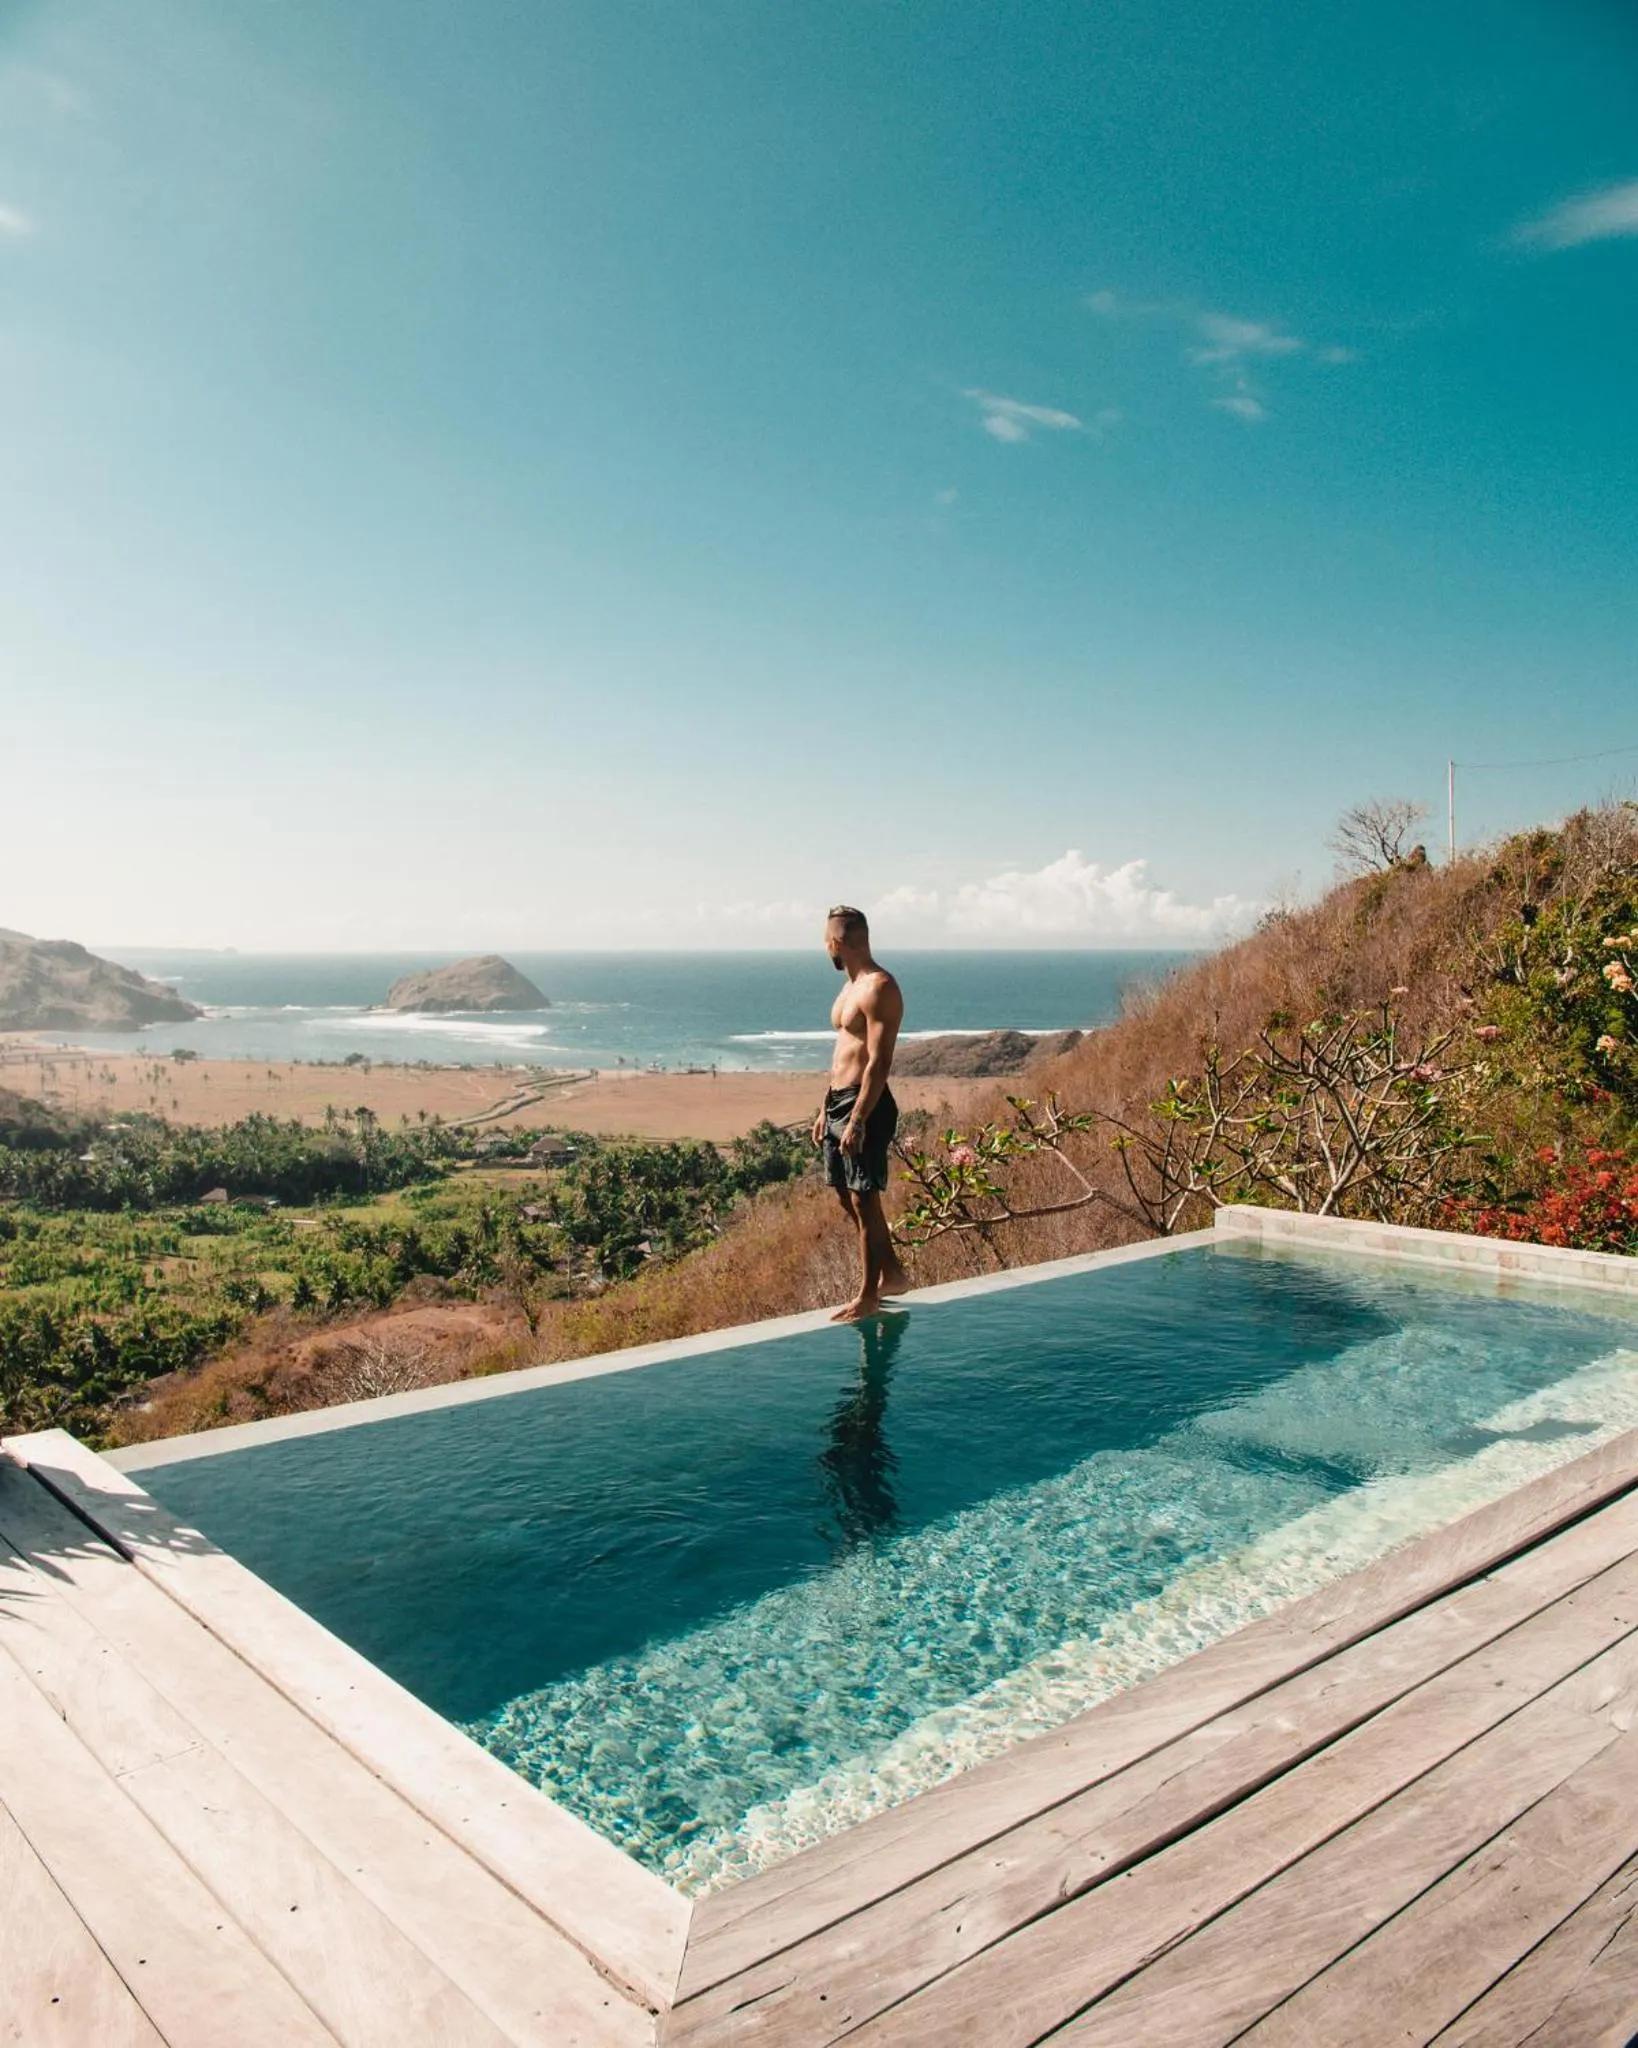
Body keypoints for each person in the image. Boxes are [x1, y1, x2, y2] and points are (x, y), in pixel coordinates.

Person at [812, 905, 910, 1321]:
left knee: (863, 1198)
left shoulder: (879, 987)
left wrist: (858, 1120)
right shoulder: (849, 989)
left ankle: (869, 1294)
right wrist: (823, 1109)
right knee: (844, 1195)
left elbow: (878, 1061)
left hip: (864, 1103)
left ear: (837, 942)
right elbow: (843, 1055)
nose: (825, 949)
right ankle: (893, 1274)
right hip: (837, 1100)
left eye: (826, 941)